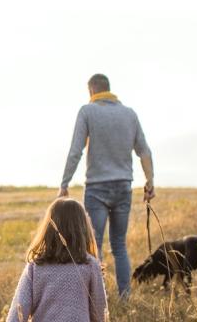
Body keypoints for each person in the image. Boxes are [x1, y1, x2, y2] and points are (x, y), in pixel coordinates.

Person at [59, 74, 155, 298]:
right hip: (123, 186)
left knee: (94, 246)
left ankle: (96, 299)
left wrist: (64, 183)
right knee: (119, 245)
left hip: (97, 188)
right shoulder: (129, 114)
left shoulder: (87, 111)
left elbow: (76, 151)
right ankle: (124, 298)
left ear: (92, 90)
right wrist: (150, 181)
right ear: (109, 89)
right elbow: (144, 151)